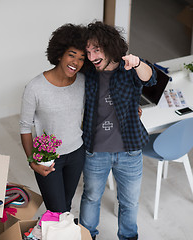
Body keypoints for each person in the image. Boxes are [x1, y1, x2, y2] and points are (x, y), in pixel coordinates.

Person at [79, 21, 157, 240]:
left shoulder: (129, 68)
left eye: (96, 49)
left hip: (130, 152)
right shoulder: (88, 72)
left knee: (130, 202)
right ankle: (87, 236)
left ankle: (128, 237)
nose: (92, 56)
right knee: (91, 197)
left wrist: (139, 62)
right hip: (95, 151)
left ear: (109, 46)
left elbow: (150, 78)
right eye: (88, 51)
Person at [19, 23, 88, 213]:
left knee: (65, 207)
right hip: (48, 158)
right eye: (71, 55)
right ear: (59, 54)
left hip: (76, 153)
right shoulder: (35, 87)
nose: (76, 62)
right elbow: (25, 127)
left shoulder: (83, 82)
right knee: (56, 209)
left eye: (81, 58)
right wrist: (33, 162)